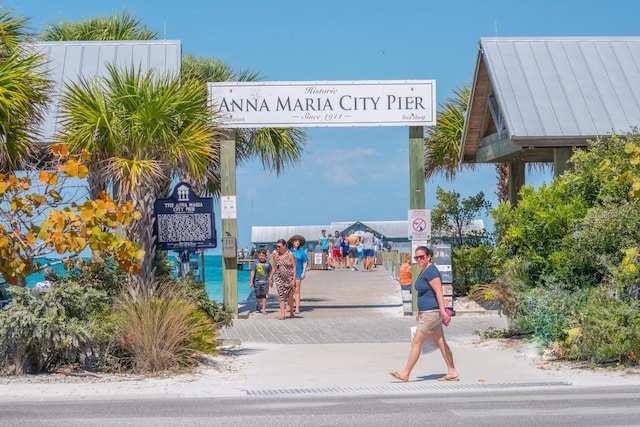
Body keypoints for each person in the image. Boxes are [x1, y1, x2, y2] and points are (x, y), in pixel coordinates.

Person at [389, 246, 458, 383]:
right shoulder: (424, 271)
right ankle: (452, 371)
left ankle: (405, 373)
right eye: (417, 257)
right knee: (441, 343)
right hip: (427, 312)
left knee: (417, 342)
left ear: (429, 257)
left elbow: (439, 291)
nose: (419, 259)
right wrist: (420, 311)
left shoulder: (431, 271)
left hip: (431, 313)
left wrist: (443, 311)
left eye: (422, 257)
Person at [270, 239, 296, 320]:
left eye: (279, 246)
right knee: (281, 296)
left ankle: (291, 312)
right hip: (279, 279)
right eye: (276, 246)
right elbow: (274, 267)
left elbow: (294, 267)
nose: (277, 248)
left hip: (289, 278)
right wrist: (270, 277)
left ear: (284, 246)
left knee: (290, 296)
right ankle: (283, 314)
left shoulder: (290, 254)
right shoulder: (276, 255)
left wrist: (294, 279)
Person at [249, 248, 272, 315]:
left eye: (262, 256)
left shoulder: (268, 264)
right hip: (257, 282)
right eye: (260, 256)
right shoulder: (255, 263)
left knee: (264, 296)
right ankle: (258, 305)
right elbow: (252, 272)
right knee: (258, 295)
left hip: (265, 282)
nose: (261, 257)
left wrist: (271, 281)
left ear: (265, 256)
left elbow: (270, 273)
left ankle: (263, 309)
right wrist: (251, 282)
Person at [289, 237, 308, 314]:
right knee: (290, 291)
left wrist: (304, 271)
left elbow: (305, 261)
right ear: (292, 242)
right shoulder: (288, 251)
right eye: (295, 241)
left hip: (298, 273)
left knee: (297, 290)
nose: (297, 243)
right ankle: (289, 305)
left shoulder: (302, 252)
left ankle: (297, 308)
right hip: (289, 273)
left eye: (298, 242)